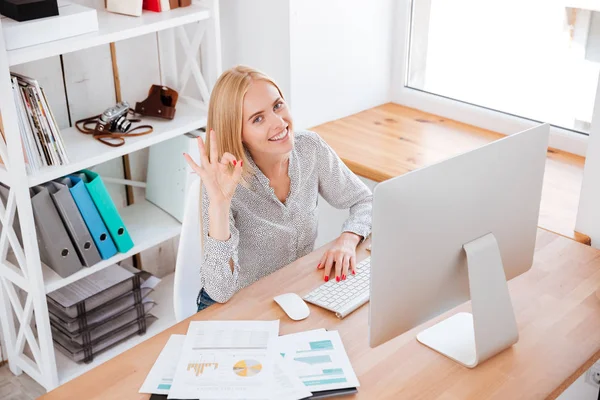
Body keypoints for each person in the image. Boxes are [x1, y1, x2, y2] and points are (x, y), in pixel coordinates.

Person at [184, 65, 373, 311]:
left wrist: (349, 238)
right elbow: (219, 291)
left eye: (277, 105)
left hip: (291, 293)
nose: (279, 122)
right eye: (258, 118)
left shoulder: (310, 149)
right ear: (237, 132)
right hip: (237, 307)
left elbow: (365, 201)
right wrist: (219, 203)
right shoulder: (222, 183)